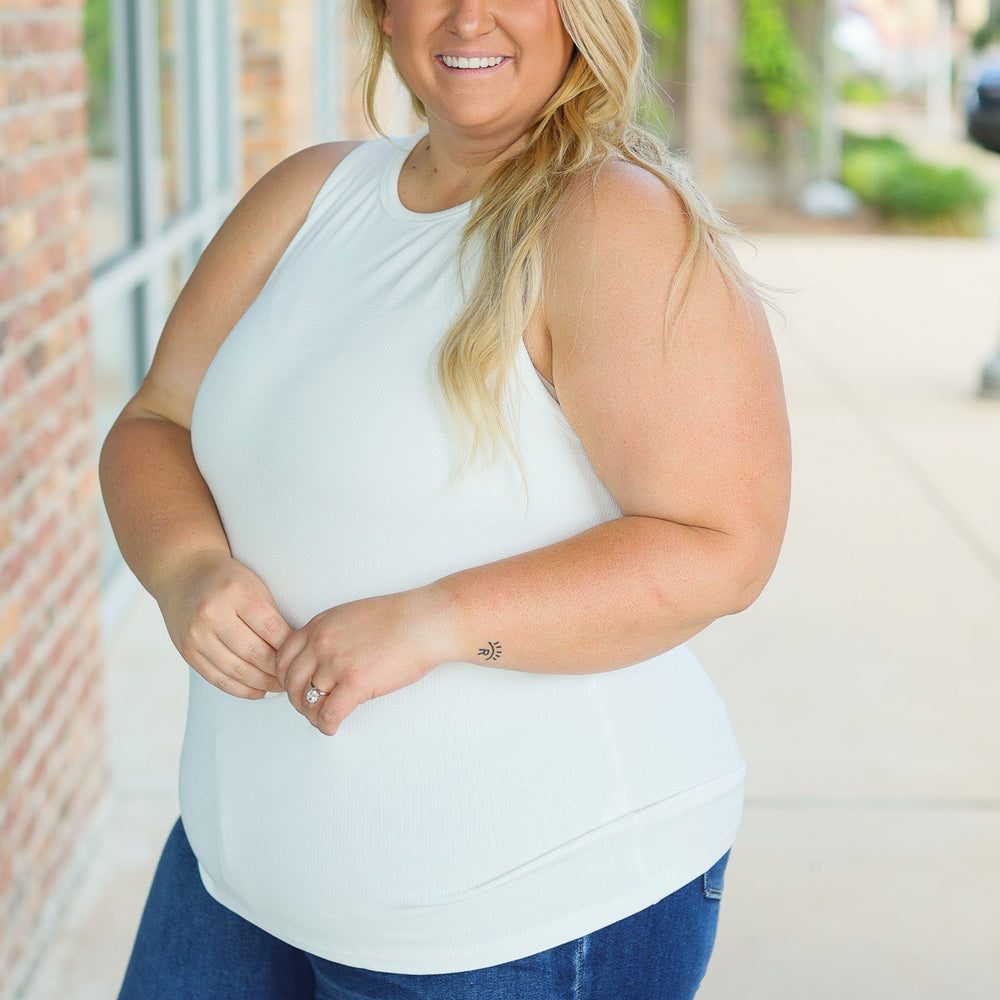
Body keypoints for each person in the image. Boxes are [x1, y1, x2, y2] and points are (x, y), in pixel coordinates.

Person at [100, 0, 791, 995]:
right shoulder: (311, 193)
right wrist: (184, 568)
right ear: (384, 14)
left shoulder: (610, 217)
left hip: (517, 914)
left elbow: (723, 542)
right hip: (237, 871)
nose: (471, 15)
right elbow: (154, 423)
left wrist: (437, 620)